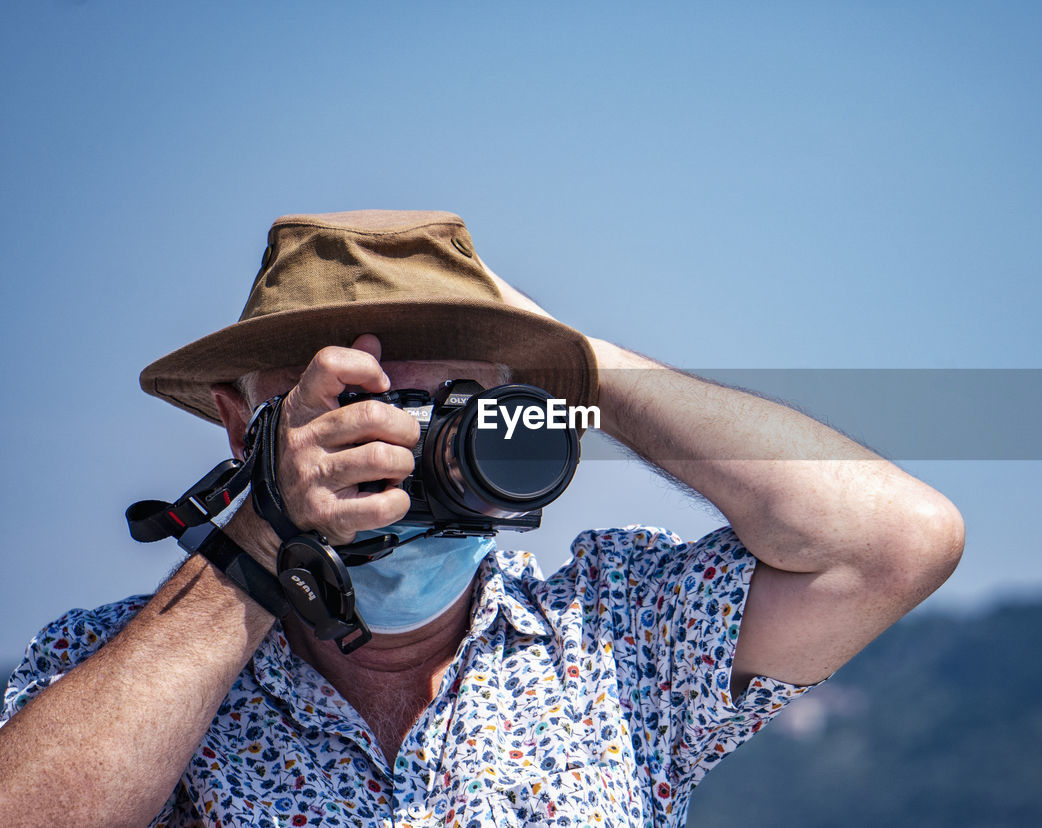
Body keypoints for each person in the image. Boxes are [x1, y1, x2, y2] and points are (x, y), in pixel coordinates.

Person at [0, 210, 964, 826]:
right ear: (238, 419)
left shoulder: (615, 641)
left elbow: (894, 543)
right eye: (355, 414)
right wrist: (263, 546)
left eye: (449, 409)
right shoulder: (115, 667)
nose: (406, 453)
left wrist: (562, 353)